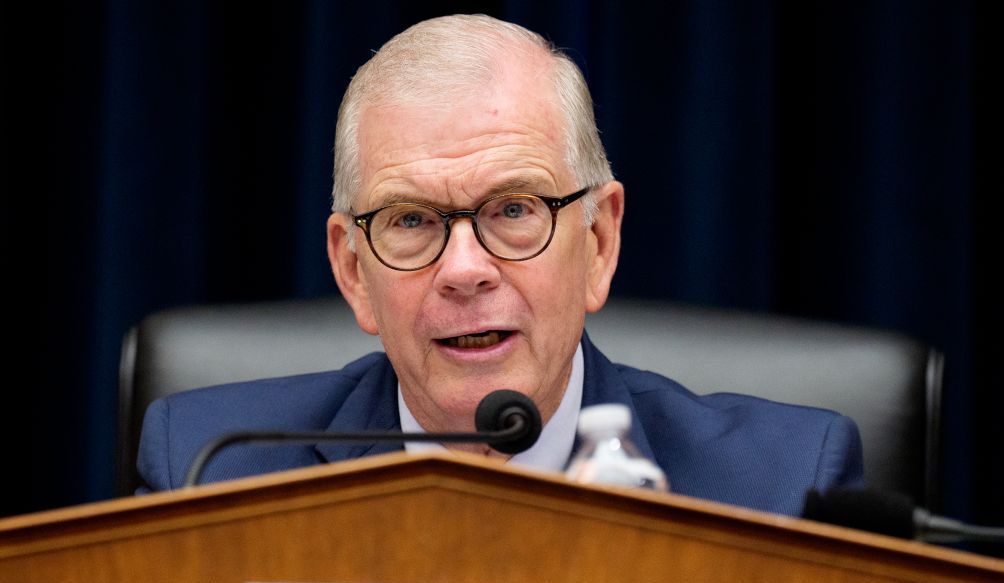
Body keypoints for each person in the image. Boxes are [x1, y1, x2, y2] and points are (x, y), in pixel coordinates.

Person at [137, 14, 863, 515]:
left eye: (514, 210)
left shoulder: (784, 488)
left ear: (599, 241)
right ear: (353, 273)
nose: (464, 270)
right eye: (411, 220)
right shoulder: (210, 472)